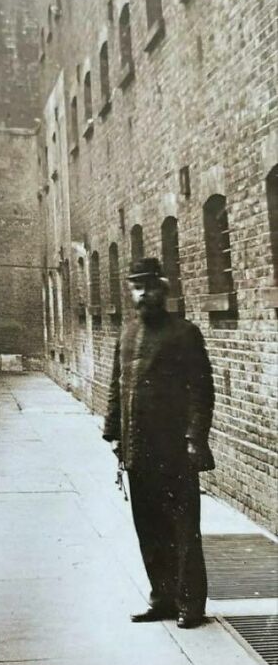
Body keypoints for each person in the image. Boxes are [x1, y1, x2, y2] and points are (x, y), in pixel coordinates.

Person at [103, 257, 215, 629]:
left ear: (162, 289)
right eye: (136, 287)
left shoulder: (184, 333)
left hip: (175, 450)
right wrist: (114, 434)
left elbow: (201, 391)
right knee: (148, 528)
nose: (142, 294)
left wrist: (195, 441)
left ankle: (190, 604)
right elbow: (117, 386)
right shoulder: (128, 333)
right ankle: (162, 598)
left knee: (183, 529)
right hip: (138, 448)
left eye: (149, 286)